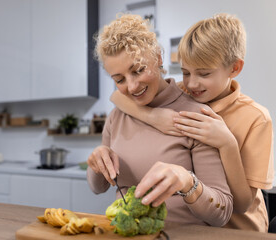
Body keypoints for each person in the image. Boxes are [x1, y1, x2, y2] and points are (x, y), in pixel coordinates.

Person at [110, 13, 274, 232]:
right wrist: (153, 117)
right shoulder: (183, 93)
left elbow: (243, 204)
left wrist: (227, 144)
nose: (192, 82)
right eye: (185, 72)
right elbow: (117, 97)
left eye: (204, 74)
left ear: (234, 68)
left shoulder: (256, 118)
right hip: (193, 229)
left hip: (238, 231)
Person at [87, 13, 233, 227]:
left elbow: (222, 212)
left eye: (138, 70)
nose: (132, 86)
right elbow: (97, 187)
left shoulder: (196, 116)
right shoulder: (117, 116)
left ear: (158, 58)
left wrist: (187, 181)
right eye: (119, 80)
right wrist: (96, 163)